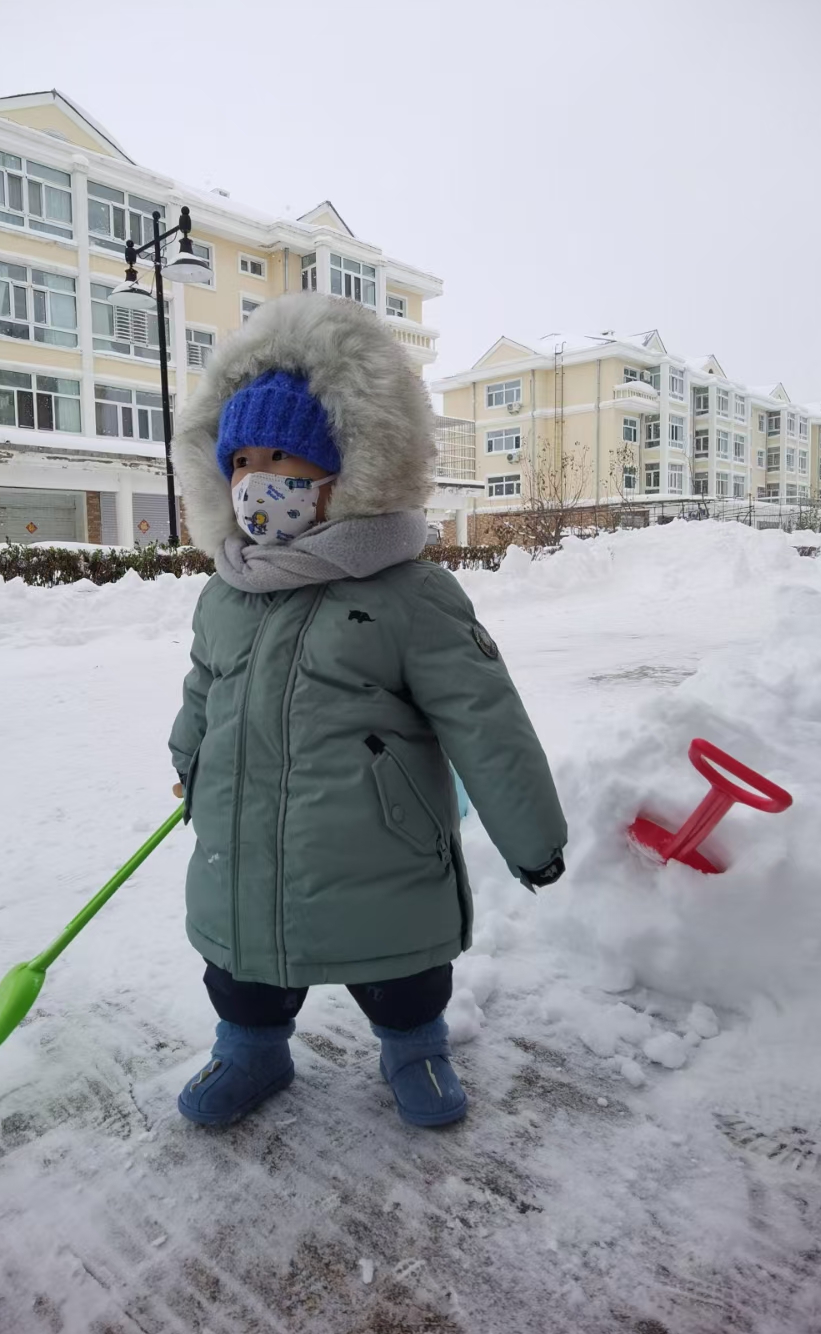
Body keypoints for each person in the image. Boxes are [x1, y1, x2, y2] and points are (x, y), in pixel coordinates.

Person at [168, 293, 566, 1129]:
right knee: (243, 967)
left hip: (379, 845)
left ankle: (415, 1046)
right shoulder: (227, 592)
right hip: (243, 841)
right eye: (240, 462)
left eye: (282, 460)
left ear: (346, 470)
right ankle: (250, 1049)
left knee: (401, 969)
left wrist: (533, 838)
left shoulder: (409, 593)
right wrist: (189, 760)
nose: (255, 484)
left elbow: (483, 718)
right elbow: (204, 686)